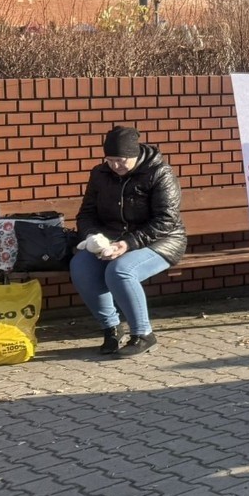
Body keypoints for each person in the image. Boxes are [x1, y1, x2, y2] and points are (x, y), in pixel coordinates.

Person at [71, 126, 185, 357]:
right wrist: (92, 237)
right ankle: (111, 328)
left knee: (120, 271)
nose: (115, 166)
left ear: (135, 154)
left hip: (161, 241)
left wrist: (127, 244)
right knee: (81, 265)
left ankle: (143, 334)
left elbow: (166, 220)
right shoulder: (99, 174)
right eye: (110, 160)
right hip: (112, 240)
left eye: (121, 161)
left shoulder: (159, 173)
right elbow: (86, 214)